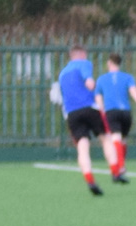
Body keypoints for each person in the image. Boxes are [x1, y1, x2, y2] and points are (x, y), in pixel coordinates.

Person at [54, 47, 106, 196]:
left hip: (71, 113)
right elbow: (90, 83)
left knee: (82, 147)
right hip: (90, 108)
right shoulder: (84, 64)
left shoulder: (62, 73)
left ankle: (89, 179)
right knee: (106, 138)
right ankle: (117, 169)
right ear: (82, 54)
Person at [95, 53, 136, 185]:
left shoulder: (101, 79)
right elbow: (134, 91)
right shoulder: (127, 77)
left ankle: (120, 166)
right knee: (123, 140)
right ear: (119, 63)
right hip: (125, 112)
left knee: (115, 139)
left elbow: (98, 97)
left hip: (111, 112)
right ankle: (121, 165)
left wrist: (101, 111)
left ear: (109, 63)